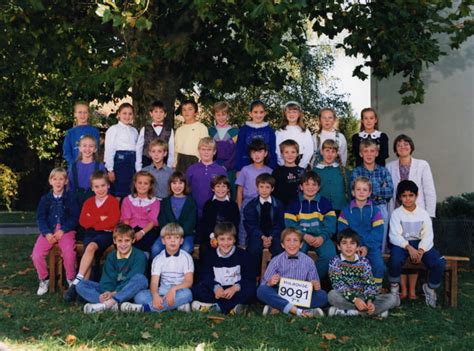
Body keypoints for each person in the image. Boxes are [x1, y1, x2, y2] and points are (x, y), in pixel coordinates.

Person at [386, 134, 437, 299]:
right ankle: (401, 289)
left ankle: (413, 290)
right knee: (399, 250)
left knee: (417, 248)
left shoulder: (422, 165)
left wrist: (429, 215)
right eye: (399, 144)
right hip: (398, 215)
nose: (402, 146)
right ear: (395, 149)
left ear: (411, 146)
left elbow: (429, 190)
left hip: (418, 215)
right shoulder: (389, 166)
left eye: (406, 143)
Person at [64, 171, 120, 302]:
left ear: (108, 186)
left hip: (106, 234)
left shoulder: (113, 202)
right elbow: (83, 221)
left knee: (89, 248)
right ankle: (82, 294)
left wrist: (94, 220)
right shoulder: (89, 202)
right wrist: (100, 219)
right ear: (92, 188)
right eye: (97, 186)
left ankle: (76, 283)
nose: (100, 189)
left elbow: (112, 222)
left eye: (103, 186)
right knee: (90, 257)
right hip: (90, 233)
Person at [388, 180, 445, 308]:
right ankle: (395, 289)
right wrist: (408, 247)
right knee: (395, 259)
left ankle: (430, 288)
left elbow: (428, 235)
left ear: (416, 195)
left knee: (439, 262)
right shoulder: (397, 214)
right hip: (402, 244)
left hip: (422, 244)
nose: (407, 199)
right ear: (399, 197)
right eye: (404, 196)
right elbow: (394, 236)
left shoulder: (423, 214)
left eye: (411, 195)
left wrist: (421, 250)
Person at [121, 223, 194, 313]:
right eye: (169, 238)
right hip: (162, 292)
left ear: (181, 241)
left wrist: (173, 289)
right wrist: (155, 295)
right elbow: (154, 283)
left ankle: (146, 308)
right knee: (140, 296)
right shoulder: (158, 259)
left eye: (176, 238)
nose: (173, 241)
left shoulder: (186, 257)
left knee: (187, 294)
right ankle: (176, 305)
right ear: (163, 241)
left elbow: (189, 282)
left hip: (179, 291)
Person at [77, 224, 148, 313]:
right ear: (114, 241)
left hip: (129, 289)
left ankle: (107, 304)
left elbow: (132, 277)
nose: (123, 244)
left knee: (141, 279)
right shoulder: (111, 256)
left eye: (127, 241)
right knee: (81, 285)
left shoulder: (139, 255)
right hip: (112, 290)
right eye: (120, 241)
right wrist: (107, 292)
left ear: (133, 240)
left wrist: (114, 293)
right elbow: (107, 278)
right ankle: (108, 303)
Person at [257, 228, 328, 317]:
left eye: (295, 240)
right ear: (282, 245)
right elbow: (264, 284)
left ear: (301, 244)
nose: (292, 244)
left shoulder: (308, 261)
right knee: (261, 290)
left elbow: (317, 286)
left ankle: (279, 308)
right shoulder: (276, 260)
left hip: (301, 297)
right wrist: (270, 282)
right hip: (280, 295)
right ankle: (300, 311)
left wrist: (314, 285)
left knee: (322, 296)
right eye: (288, 240)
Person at [328, 229, 398, 317]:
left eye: (352, 243)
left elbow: (369, 283)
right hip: (346, 296)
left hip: (363, 296)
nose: (348, 246)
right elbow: (338, 285)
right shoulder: (335, 262)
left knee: (392, 298)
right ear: (339, 246)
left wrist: (369, 301)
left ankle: (349, 312)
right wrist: (355, 300)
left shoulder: (364, 262)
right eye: (344, 243)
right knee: (332, 295)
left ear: (358, 247)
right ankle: (374, 312)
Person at [31, 167, 79, 295]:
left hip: (65, 231)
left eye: (61, 179)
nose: (58, 182)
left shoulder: (70, 197)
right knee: (36, 255)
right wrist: (46, 233)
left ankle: (70, 279)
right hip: (49, 232)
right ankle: (44, 279)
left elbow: (74, 217)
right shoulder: (45, 199)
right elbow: (40, 218)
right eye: (55, 179)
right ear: (50, 181)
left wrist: (63, 230)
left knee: (69, 252)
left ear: (66, 181)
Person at [192, 222, 256, 315]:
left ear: (234, 240)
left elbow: (249, 278)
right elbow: (207, 276)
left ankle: (216, 307)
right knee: (197, 289)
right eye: (222, 239)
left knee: (252, 290)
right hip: (218, 291)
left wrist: (235, 288)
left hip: (234, 290)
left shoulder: (243, 255)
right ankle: (233, 308)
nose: (226, 243)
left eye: (229, 239)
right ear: (216, 240)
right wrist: (216, 288)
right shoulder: (210, 255)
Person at [284, 171, 337, 278]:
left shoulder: (325, 203)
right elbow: (290, 225)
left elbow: (330, 225)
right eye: (307, 184)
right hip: (300, 237)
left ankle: (311, 280)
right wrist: (303, 235)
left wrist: (322, 237)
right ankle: (295, 281)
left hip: (321, 236)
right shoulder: (294, 203)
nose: (310, 187)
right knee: (295, 254)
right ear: (301, 186)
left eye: (314, 184)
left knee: (330, 255)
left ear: (318, 187)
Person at [337, 177, 385, 289]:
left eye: (365, 189)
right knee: (348, 264)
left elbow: (378, 232)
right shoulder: (345, 211)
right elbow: (342, 231)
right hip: (351, 246)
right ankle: (352, 289)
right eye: (358, 189)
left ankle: (376, 290)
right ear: (353, 192)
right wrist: (355, 246)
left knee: (378, 264)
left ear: (369, 193)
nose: (361, 192)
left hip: (371, 246)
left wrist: (366, 247)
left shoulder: (375, 211)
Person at [350, 139, 393, 251]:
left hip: (380, 208)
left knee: (380, 239)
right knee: (362, 238)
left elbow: (390, 191)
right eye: (366, 151)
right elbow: (355, 191)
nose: (369, 154)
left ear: (377, 153)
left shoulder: (383, 171)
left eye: (372, 151)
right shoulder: (356, 172)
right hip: (362, 207)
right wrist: (379, 190)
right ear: (361, 153)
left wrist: (366, 190)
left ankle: (380, 258)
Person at [235, 138, 273, 247]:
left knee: (260, 230)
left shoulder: (269, 171)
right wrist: (239, 206)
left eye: (260, 151)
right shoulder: (245, 170)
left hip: (263, 204)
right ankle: (243, 249)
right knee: (244, 230)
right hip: (247, 203)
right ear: (250, 154)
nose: (257, 155)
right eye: (253, 152)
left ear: (265, 153)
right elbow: (239, 190)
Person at [243, 173, 284, 273]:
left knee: (280, 249)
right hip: (257, 234)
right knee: (254, 249)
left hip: (274, 235)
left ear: (272, 189)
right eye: (261, 187)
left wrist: (270, 237)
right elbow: (250, 225)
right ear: (257, 188)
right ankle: (254, 276)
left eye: (267, 187)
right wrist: (262, 236)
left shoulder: (278, 204)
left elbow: (280, 224)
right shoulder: (251, 206)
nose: (264, 190)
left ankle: (274, 274)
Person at [150, 172, 197, 258]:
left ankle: (180, 271)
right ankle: (157, 270)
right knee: (156, 249)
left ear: (185, 185)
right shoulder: (165, 201)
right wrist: (170, 236)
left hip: (185, 235)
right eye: (174, 183)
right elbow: (162, 220)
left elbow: (190, 222)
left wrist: (178, 236)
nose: (177, 186)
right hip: (167, 234)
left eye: (180, 183)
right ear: (170, 185)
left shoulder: (191, 202)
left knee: (186, 248)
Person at [120, 171, 160, 255]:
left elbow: (153, 221)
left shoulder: (155, 202)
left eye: (146, 183)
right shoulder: (127, 200)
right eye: (140, 183)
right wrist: (130, 234)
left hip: (147, 230)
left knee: (145, 245)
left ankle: (144, 262)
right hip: (130, 228)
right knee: (126, 242)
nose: (142, 186)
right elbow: (126, 219)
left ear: (150, 186)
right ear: (135, 183)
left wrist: (142, 233)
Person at [198, 175, 240, 256]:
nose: (221, 189)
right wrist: (213, 237)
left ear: (228, 189)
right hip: (211, 236)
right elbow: (205, 224)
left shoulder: (233, 205)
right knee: (205, 250)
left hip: (228, 237)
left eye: (224, 186)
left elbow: (234, 224)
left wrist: (224, 239)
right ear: (213, 189)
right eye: (218, 186)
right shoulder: (208, 204)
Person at [186, 137, 227, 218]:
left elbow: (226, 192)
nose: (206, 152)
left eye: (209, 150)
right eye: (203, 149)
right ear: (199, 150)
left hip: (215, 211)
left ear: (214, 151)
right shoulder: (191, 169)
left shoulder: (220, 170)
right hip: (194, 211)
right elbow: (186, 190)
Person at [104, 102, 138, 197]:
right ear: (118, 114)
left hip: (132, 164)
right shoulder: (113, 129)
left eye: (130, 114)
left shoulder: (134, 131)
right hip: (119, 164)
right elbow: (109, 150)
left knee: (130, 193)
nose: (127, 116)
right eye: (124, 113)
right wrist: (110, 169)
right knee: (118, 194)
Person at [235, 100, 277, 172]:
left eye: (261, 112)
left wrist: (272, 168)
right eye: (255, 112)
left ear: (265, 113)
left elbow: (272, 151)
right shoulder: (244, 130)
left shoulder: (269, 130)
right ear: (250, 114)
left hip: (265, 167)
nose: (258, 115)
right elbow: (239, 150)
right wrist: (238, 169)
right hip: (246, 167)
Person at [208, 101, 239, 196]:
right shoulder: (210, 131)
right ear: (214, 116)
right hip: (214, 166)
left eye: (223, 114)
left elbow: (236, 152)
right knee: (214, 191)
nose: (221, 117)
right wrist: (215, 165)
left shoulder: (235, 131)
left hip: (230, 168)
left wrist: (226, 166)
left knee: (230, 193)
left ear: (228, 115)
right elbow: (208, 150)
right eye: (218, 115)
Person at [313, 139, 350, 215]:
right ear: (322, 152)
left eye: (333, 152)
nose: (330, 154)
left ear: (336, 154)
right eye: (327, 151)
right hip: (321, 209)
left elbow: (350, 191)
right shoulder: (315, 171)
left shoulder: (344, 171)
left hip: (340, 208)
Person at [67, 134, 105, 208]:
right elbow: (70, 187)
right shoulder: (73, 166)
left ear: (95, 149)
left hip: (95, 201)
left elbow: (104, 186)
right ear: (80, 148)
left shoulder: (99, 166)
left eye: (91, 146)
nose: (87, 149)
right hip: (76, 202)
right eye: (84, 146)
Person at [136, 100, 174, 170]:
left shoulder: (169, 130)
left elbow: (171, 150)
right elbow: (139, 148)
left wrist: (169, 166)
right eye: (156, 112)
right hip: (146, 162)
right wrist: (138, 166)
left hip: (163, 163)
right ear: (151, 113)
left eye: (161, 112)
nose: (158, 115)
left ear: (165, 114)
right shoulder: (144, 129)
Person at [275, 101, 313, 169]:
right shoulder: (280, 131)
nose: (291, 114)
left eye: (294, 112)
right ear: (285, 114)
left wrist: (301, 166)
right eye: (289, 112)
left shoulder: (305, 131)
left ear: (299, 114)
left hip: (300, 162)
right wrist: (282, 164)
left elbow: (309, 150)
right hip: (284, 163)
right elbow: (277, 149)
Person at [174, 99, 209, 173]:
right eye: (184, 110)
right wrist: (174, 164)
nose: (186, 112)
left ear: (195, 112)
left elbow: (206, 147)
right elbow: (175, 149)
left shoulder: (201, 127)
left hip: (196, 161)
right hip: (180, 162)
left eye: (190, 109)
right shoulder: (179, 130)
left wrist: (203, 163)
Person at [63, 102, 100, 168]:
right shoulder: (70, 133)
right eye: (80, 112)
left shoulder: (94, 131)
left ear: (89, 114)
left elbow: (96, 150)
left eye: (85, 112)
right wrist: (74, 165)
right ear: (75, 114)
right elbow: (67, 152)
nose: (82, 115)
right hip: (74, 168)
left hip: (91, 167)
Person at [272, 139, 304, 207]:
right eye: (286, 152)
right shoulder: (277, 172)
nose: (290, 155)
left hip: (299, 207)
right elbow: (273, 191)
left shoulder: (302, 171)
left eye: (293, 152)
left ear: (297, 153)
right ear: (282, 154)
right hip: (281, 207)